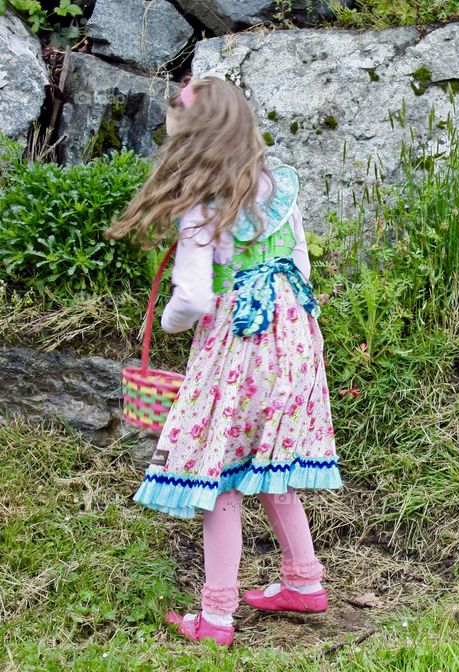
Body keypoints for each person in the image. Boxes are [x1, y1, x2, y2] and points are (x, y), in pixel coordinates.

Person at [107, 76, 341, 647]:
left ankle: (215, 618)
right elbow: (301, 266)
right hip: (292, 341)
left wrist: (169, 327)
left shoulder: (201, 209)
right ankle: (304, 582)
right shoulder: (279, 188)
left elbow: (189, 297)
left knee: (220, 482)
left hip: (239, 347)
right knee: (271, 464)